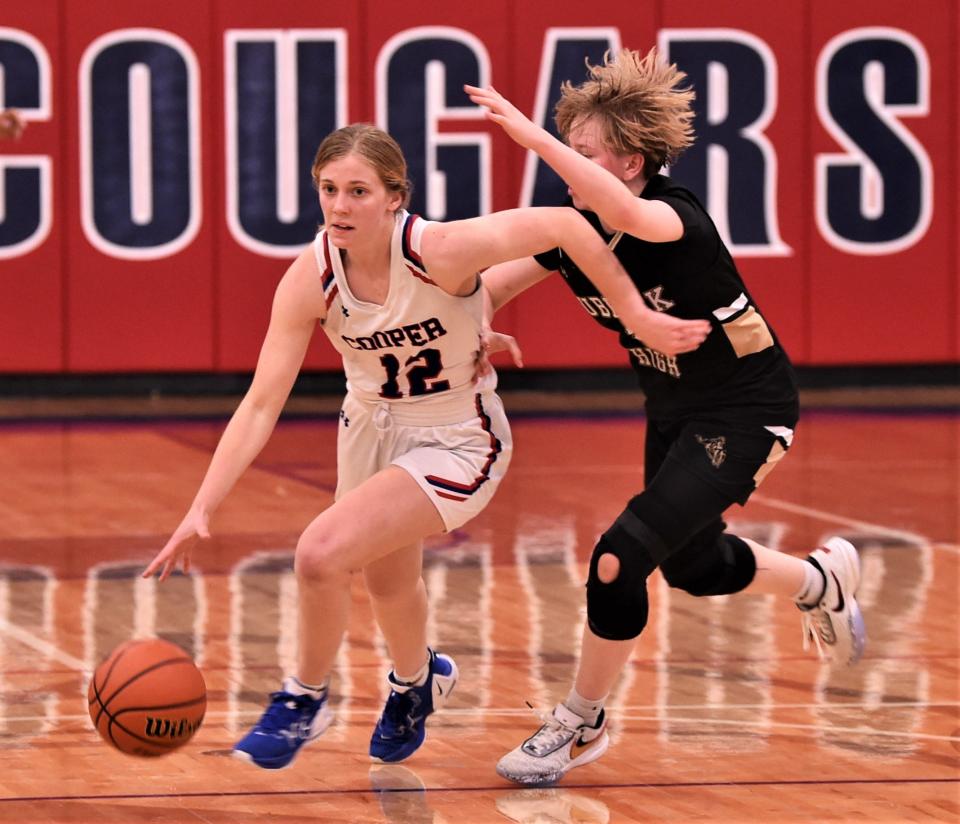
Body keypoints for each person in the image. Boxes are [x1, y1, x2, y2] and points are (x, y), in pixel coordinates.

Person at [142, 123, 710, 771]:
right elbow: (261, 403)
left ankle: (303, 699)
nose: (339, 205)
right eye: (328, 189)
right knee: (388, 580)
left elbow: (565, 226)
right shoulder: (311, 277)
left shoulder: (437, 248)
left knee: (320, 554)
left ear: (393, 196)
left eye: (358, 190)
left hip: (456, 438)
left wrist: (635, 316)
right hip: (367, 430)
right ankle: (417, 681)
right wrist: (201, 508)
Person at [466, 47, 867, 786]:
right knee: (691, 565)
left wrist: (530, 134)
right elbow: (490, 282)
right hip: (675, 410)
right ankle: (819, 581)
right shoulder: (576, 228)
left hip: (747, 409)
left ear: (629, 160)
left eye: (583, 153)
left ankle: (579, 722)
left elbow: (623, 212)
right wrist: (477, 323)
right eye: (565, 150)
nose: (566, 168)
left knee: (620, 557)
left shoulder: (670, 219)